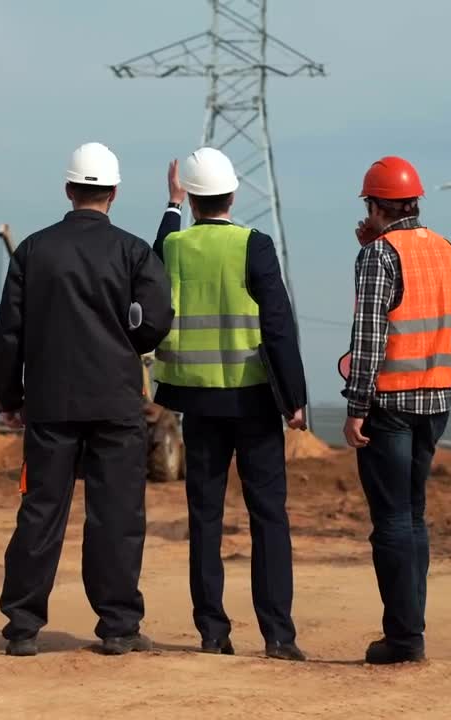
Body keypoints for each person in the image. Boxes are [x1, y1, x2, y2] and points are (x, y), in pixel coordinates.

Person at [0, 142, 174, 657]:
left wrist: (11, 396)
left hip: (50, 405)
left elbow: (9, 332)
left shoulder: (33, 250)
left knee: (41, 511)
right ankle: (118, 626)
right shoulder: (133, 251)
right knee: (115, 516)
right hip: (117, 404)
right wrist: (130, 340)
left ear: (69, 190)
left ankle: (23, 627)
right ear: (113, 193)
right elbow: (157, 320)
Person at [152, 147, 309, 661]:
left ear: (192, 197)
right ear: (234, 194)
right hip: (256, 402)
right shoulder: (254, 245)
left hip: (198, 404)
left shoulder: (175, 246)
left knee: (205, 517)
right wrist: (295, 400)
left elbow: (152, 279)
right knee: (269, 517)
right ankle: (278, 636)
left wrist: (171, 206)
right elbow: (278, 325)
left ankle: (213, 632)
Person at [338, 156, 451, 665]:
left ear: (374, 205)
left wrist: (356, 407)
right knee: (413, 517)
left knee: (390, 522)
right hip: (435, 401)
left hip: (388, 403)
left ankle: (404, 638)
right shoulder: (447, 251)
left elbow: (370, 339)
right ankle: (413, 628)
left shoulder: (379, 257)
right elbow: (420, 305)